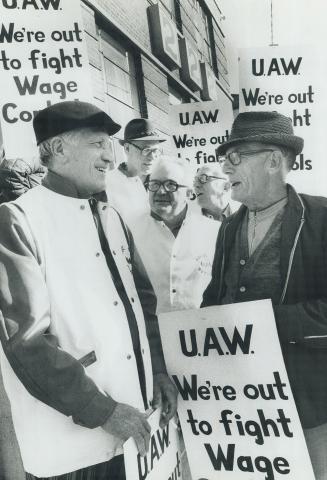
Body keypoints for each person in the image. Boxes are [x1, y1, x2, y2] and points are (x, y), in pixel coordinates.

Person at [0, 101, 177, 480]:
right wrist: (103, 411)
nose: (111, 157)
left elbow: (143, 306)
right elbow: (26, 341)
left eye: (111, 145)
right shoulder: (18, 219)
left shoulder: (112, 217)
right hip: (71, 452)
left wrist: (159, 370)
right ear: (58, 149)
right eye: (99, 143)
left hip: (133, 436)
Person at [202, 110, 327, 480]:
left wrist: (265, 324)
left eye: (236, 157)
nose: (225, 168)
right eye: (224, 158)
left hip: (311, 407)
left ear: (274, 160)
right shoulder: (229, 227)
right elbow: (215, 297)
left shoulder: (321, 219)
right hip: (244, 407)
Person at [132, 156, 220, 315]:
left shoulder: (215, 232)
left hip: (201, 330)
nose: (160, 191)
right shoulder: (129, 230)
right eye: (154, 184)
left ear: (189, 192)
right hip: (150, 333)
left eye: (170, 185)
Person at [106, 118, 166, 225]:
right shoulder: (108, 184)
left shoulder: (164, 182)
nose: (152, 157)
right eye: (146, 150)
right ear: (127, 148)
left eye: (155, 151)